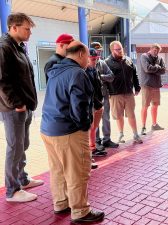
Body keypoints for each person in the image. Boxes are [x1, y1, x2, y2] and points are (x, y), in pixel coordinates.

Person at [40, 41, 105, 223]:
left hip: (48, 129)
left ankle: (61, 203)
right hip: (69, 131)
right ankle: (81, 211)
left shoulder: (55, 70)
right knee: (77, 171)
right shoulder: (78, 73)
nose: (89, 60)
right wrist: (85, 126)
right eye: (88, 56)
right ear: (81, 55)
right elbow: (79, 106)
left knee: (58, 170)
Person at [0, 12, 44, 203]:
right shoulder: (4, 48)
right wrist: (17, 103)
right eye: (27, 29)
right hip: (13, 109)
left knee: (23, 145)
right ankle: (12, 190)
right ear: (14, 27)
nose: (29, 33)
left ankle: (22, 179)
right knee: (14, 147)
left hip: (24, 107)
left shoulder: (18, 47)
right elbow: (2, 81)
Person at [105, 41, 143, 144]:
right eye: (118, 49)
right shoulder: (107, 62)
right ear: (112, 50)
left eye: (121, 48)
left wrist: (137, 86)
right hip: (115, 94)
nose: (120, 51)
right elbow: (104, 80)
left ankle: (135, 134)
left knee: (131, 114)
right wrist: (107, 92)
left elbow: (134, 75)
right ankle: (121, 134)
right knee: (119, 115)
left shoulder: (128, 60)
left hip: (129, 93)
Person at [91, 42, 119, 148]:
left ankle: (107, 139)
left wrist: (100, 76)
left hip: (104, 95)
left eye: (100, 51)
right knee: (95, 120)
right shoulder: (87, 63)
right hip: (94, 97)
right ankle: (96, 141)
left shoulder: (102, 63)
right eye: (97, 51)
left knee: (106, 118)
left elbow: (111, 76)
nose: (99, 53)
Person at [86, 48, 107, 167]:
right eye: (93, 59)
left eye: (96, 59)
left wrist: (101, 102)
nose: (95, 61)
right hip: (93, 105)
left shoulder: (95, 70)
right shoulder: (84, 72)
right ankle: (89, 153)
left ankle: (93, 149)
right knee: (90, 129)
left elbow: (98, 87)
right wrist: (97, 103)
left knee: (94, 128)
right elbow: (90, 91)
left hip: (99, 104)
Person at [140, 43, 166, 135]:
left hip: (156, 85)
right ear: (150, 49)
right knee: (145, 106)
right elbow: (147, 69)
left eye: (158, 51)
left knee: (155, 106)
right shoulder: (144, 56)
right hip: (147, 85)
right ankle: (143, 126)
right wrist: (157, 67)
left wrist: (155, 69)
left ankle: (154, 124)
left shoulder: (160, 58)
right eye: (155, 50)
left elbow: (163, 70)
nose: (156, 52)